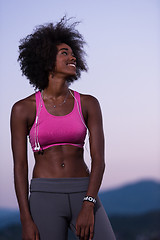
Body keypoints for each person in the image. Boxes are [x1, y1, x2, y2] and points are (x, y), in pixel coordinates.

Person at [10, 17, 116, 240]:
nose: (72, 57)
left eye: (72, 52)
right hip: (44, 195)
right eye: (64, 53)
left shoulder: (88, 103)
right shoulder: (23, 109)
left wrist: (88, 203)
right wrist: (25, 219)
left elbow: (99, 160)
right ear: (47, 60)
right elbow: (20, 166)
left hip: (84, 191)